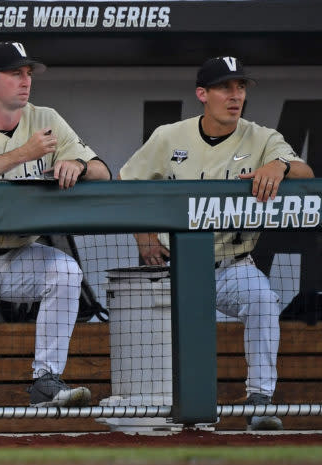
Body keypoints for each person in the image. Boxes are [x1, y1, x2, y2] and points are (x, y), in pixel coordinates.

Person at [119, 56, 314, 430]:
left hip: (231, 264)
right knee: (152, 352)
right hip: (173, 268)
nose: (235, 95)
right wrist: (144, 239)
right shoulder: (169, 136)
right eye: (226, 87)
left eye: (241, 87)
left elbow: (304, 171)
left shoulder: (261, 137)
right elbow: (128, 183)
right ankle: (160, 420)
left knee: (262, 300)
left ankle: (259, 400)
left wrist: (281, 166)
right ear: (202, 94)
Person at [0, 41, 111, 407]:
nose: (25, 80)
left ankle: (45, 380)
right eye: (16, 73)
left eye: (28, 73)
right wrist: (24, 154)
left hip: (18, 255)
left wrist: (77, 165)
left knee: (65, 272)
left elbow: (104, 172)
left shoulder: (46, 117)